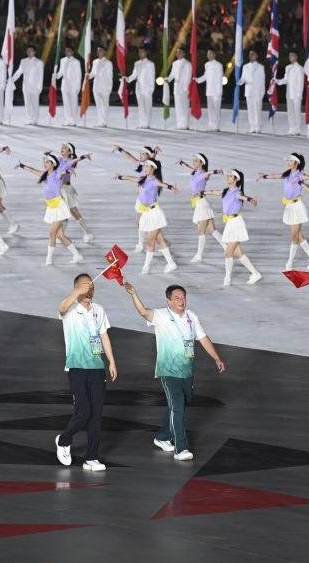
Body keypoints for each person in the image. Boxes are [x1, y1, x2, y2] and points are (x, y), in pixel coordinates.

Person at [123, 283, 225, 461]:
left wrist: (216, 357)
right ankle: (181, 448)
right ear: (168, 301)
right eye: (177, 298)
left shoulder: (191, 316)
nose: (181, 300)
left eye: (183, 297)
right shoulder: (161, 315)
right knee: (177, 407)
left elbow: (202, 337)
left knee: (179, 405)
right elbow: (144, 312)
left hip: (187, 371)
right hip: (168, 370)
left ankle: (162, 437)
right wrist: (133, 294)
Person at [55, 273, 117, 471]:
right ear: (76, 288)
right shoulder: (70, 309)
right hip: (77, 368)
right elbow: (61, 308)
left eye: (91, 286)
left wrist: (111, 361)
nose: (88, 290)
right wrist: (76, 293)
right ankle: (63, 440)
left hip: (97, 368)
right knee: (83, 412)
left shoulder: (99, 310)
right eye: (84, 286)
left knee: (96, 415)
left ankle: (91, 458)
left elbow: (104, 336)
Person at [17, 153, 85, 265]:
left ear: (53, 164)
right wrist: (22, 166)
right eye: (45, 162)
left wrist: (69, 170)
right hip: (51, 207)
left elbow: (64, 170)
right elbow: (32, 170)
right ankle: (77, 255)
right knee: (60, 235)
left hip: (59, 206)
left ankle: (49, 259)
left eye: (48, 162)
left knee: (52, 233)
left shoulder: (57, 174)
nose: (45, 164)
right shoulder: (43, 175)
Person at [257, 153, 309, 271]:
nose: (288, 162)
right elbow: (276, 176)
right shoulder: (287, 173)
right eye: (288, 161)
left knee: (294, 236)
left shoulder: (300, 174)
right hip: (290, 207)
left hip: (297, 207)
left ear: (296, 163)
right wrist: (264, 176)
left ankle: (289, 263)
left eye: (290, 161)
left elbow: (308, 177)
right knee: (298, 235)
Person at [115, 159, 179, 275]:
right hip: (147, 213)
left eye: (148, 166)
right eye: (145, 166)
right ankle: (171, 263)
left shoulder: (154, 181)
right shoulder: (143, 179)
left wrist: (171, 187)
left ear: (153, 168)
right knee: (159, 240)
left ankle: (146, 267)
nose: (145, 168)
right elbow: (131, 178)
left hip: (154, 213)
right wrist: (120, 177)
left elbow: (163, 184)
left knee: (149, 242)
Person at [204, 170, 263, 286]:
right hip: (230, 223)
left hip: (236, 224)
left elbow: (243, 197)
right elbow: (215, 192)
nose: (228, 177)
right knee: (238, 253)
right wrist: (203, 192)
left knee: (228, 253)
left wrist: (251, 200)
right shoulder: (226, 191)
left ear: (236, 180)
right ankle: (255, 273)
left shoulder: (237, 192)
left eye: (231, 176)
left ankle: (227, 278)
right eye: (228, 176)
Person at [177, 153, 224, 263]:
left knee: (201, 232)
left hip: (202, 204)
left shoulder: (203, 173)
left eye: (196, 161)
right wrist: (182, 163)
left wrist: (217, 171)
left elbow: (208, 173)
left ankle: (199, 255)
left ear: (202, 163)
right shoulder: (195, 172)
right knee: (212, 230)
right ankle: (226, 247)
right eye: (194, 160)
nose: (193, 162)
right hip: (200, 203)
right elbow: (189, 168)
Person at [54, 143, 95, 241]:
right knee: (64, 212)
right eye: (62, 147)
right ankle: (62, 236)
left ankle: (87, 232)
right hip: (59, 189)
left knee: (73, 212)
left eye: (65, 148)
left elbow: (75, 161)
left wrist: (83, 157)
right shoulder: (59, 160)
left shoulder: (70, 161)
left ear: (70, 152)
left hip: (66, 190)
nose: (62, 148)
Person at [11, 46, 45, 125]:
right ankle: (29, 119)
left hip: (35, 87)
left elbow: (41, 76)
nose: (29, 52)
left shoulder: (39, 62)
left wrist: (40, 87)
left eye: (31, 51)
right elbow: (19, 72)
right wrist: (11, 79)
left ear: (34, 52)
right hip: (26, 86)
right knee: (27, 104)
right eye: (28, 51)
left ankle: (35, 120)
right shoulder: (23, 61)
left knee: (35, 104)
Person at [275, 52, 306, 135]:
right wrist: (278, 81)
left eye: (292, 56)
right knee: (290, 111)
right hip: (289, 92)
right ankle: (292, 128)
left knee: (297, 112)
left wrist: (299, 94)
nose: (290, 57)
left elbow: (300, 82)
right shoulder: (288, 67)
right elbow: (286, 80)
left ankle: (297, 129)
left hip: (296, 94)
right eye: (289, 56)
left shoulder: (299, 68)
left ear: (296, 57)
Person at [126, 47, 156, 128]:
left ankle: (147, 123)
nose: (140, 53)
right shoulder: (137, 63)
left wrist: (151, 89)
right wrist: (127, 79)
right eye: (139, 52)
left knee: (147, 106)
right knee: (141, 107)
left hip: (147, 88)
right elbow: (134, 75)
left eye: (142, 52)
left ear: (146, 53)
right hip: (139, 88)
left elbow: (152, 77)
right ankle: (142, 123)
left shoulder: (150, 64)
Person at [194, 49, 224, 131]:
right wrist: (197, 80)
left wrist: (219, 91)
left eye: (210, 54)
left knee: (216, 109)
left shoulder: (218, 65)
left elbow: (220, 79)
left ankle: (216, 126)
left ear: (214, 55)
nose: (208, 55)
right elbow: (205, 76)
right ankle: (211, 125)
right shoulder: (206, 64)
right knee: (210, 110)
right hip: (209, 91)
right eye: (208, 54)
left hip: (216, 91)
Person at [53, 46, 83, 127]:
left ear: (72, 52)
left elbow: (79, 75)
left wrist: (78, 87)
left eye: (69, 51)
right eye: (66, 51)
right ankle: (67, 120)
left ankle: (73, 120)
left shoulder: (76, 62)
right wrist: (56, 75)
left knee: (73, 103)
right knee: (66, 104)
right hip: (65, 85)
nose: (67, 52)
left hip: (73, 86)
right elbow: (61, 72)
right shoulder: (62, 60)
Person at [238, 50, 266, 134]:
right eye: (250, 54)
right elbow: (243, 77)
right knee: (250, 110)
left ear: (257, 56)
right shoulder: (245, 66)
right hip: (249, 91)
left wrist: (262, 92)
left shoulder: (260, 67)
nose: (251, 56)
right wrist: (240, 81)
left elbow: (262, 80)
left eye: (253, 54)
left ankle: (258, 127)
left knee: (257, 109)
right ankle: (252, 126)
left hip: (257, 91)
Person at [165, 48, 192, 130]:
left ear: (184, 53)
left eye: (180, 52)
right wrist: (167, 80)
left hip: (184, 88)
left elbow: (188, 77)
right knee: (178, 107)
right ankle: (179, 124)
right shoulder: (175, 63)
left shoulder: (187, 64)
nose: (178, 54)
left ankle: (185, 124)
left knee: (184, 106)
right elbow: (172, 75)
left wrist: (186, 88)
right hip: (176, 88)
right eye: (177, 52)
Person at [88, 46, 114, 128]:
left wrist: (109, 88)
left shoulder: (108, 63)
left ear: (104, 52)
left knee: (105, 105)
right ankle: (100, 121)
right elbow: (93, 73)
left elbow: (110, 76)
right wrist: (88, 76)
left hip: (105, 87)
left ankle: (104, 121)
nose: (98, 52)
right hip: (96, 87)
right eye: (98, 51)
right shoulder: (95, 62)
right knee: (98, 105)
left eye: (100, 51)